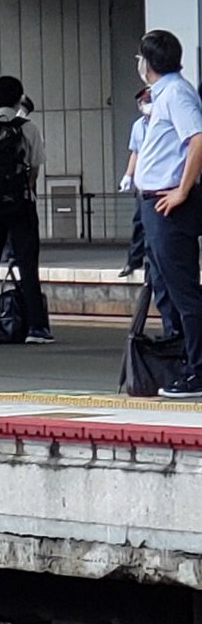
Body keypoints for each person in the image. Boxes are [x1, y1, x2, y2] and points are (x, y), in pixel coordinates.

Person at [134, 28, 202, 400]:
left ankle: (197, 370)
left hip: (169, 205)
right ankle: (185, 363)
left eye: (139, 58)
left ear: (149, 63)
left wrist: (182, 189)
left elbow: (198, 139)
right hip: (155, 204)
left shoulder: (176, 93)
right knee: (169, 291)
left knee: (183, 292)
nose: (138, 65)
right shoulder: (163, 95)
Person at [0, 74, 52, 346]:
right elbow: (35, 169)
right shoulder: (28, 128)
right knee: (27, 264)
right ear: (20, 98)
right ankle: (36, 328)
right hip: (20, 205)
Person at [118, 90, 151, 279]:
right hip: (142, 184)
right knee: (139, 222)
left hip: (160, 183)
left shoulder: (163, 123)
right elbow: (135, 153)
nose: (144, 105)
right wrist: (128, 176)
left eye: (147, 101)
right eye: (142, 102)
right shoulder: (138, 126)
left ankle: (151, 262)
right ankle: (133, 260)